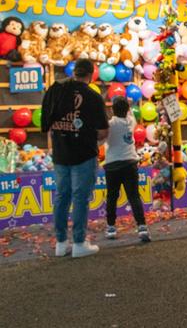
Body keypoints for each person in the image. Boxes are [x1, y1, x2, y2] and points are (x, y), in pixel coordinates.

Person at [41, 58, 109, 258]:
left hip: (61, 153)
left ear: (74, 72)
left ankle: (61, 243)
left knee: (62, 197)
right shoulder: (92, 96)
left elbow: (47, 123)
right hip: (84, 154)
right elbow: (103, 132)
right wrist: (87, 133)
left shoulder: (55, 90)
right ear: (91, 74)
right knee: (80, 199)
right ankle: (79, 242)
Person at [102, 96, 151, 242]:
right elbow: (129, 111)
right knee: (134, 196)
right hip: (130, 162)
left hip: (112, 164)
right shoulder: (131, 121)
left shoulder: (110, 124)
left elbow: (102, 136)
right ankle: (142, 226)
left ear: (113, 109)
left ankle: (111, 227)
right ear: (127, 110)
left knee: (112, 196)